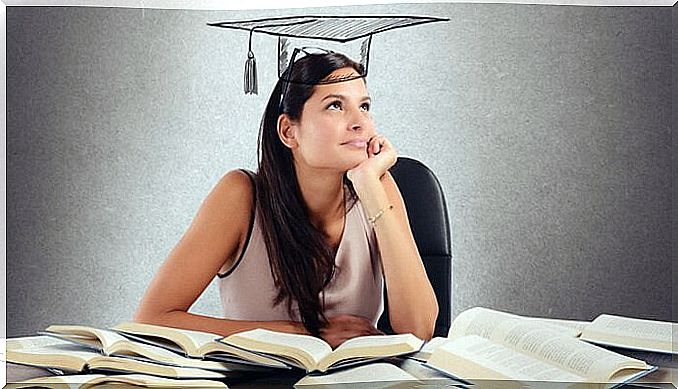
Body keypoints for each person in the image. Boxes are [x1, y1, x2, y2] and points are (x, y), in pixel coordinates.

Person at [134, 51, 439, 348]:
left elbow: (419, 328)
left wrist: (371, 189)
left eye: (365, 106)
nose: (360, 122)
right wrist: (305, 333)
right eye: (335, 106)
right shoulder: (240, 196)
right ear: (288, 132)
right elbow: (150, 320)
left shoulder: (377, 188)